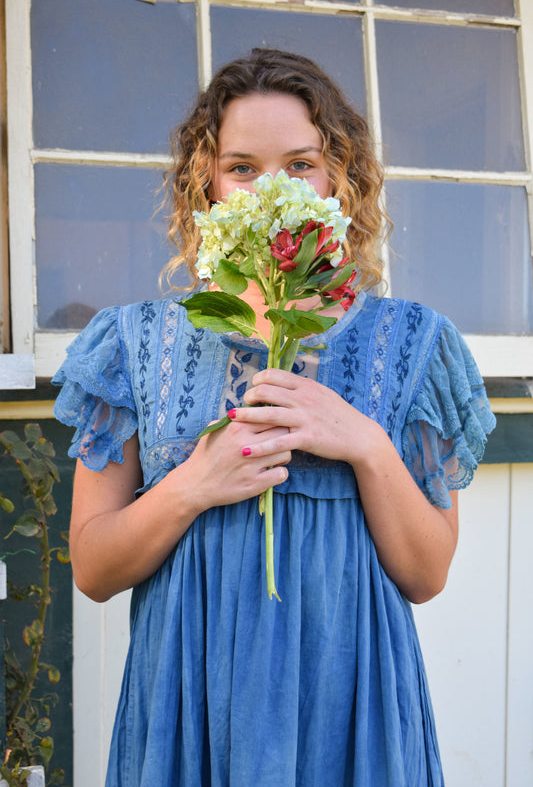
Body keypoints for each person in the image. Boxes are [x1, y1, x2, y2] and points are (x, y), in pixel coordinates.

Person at [53, 48, 496, 786]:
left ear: (337, 180)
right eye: (242, 168)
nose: (271, 190)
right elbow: (95, 570)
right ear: (207, 184)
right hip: (192, 710)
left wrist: (366, 447)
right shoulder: (132, 341)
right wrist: (195, 482)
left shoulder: (415, 342)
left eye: (299, 165)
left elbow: (425, 575)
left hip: (350, 713)